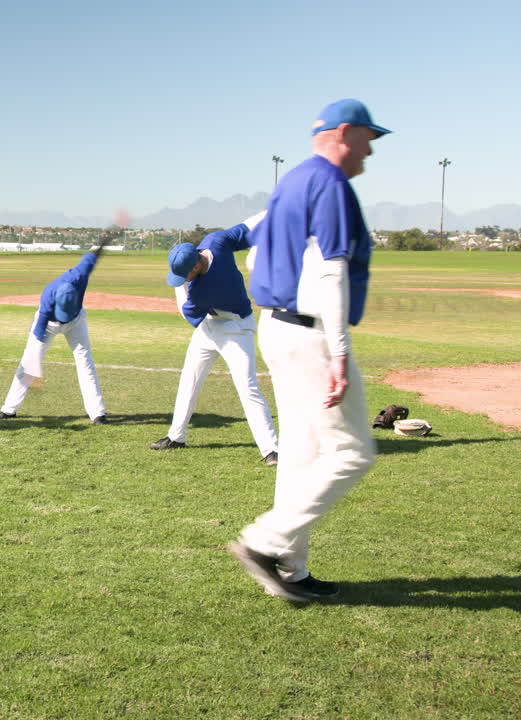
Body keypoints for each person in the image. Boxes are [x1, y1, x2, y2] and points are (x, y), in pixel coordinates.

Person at [227, 99, 388, 602]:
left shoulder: (292, 181)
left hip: (275, 328)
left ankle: (290, 570)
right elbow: (330, 271)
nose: (371, 149)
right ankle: (266, 542)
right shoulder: (332, 184)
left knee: (302, 455)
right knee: (352, 452)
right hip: (311, 331)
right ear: (344, 132)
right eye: (368, 137)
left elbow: (256, 255)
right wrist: (338, 352)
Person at [150, 214, 279, 466]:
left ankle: (271, 449)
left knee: (247, 386)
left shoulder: (201, 291)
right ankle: (176, 436)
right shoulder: (216, 241)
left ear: (197, 266)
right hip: (209, 326)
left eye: (183, 275)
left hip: (235, 329)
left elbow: (187, 312)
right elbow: (248, 227)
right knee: (189, 378)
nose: (181, 281)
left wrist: (180, 287)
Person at [0, 245, 107, 424]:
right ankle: (9, 409)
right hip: (49, 325)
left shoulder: (80, 275)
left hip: (76, 321)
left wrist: (99, 247)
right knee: (27, 363)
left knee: (85, 362)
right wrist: (35, 367)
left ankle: (97, 413)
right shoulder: (48, 297)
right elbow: (38, 335)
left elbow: (89, 258)